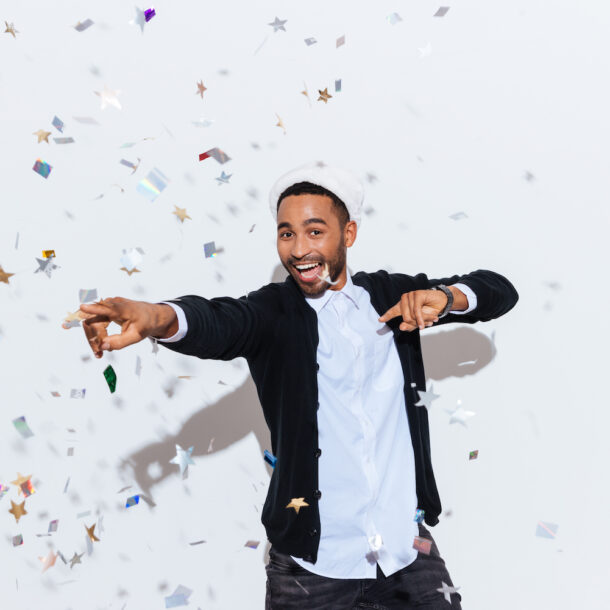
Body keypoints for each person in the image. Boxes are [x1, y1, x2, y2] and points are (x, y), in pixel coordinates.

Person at [76, 162, 519, 609]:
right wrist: (156, 317)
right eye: (286, 233)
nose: (299, 249)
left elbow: (499, 290)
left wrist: (447, 299)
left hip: (407, 551)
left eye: (314, 231)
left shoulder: (390, 295)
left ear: (348, 234)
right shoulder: (273, 314)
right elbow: (218, 321)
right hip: (313, 568)